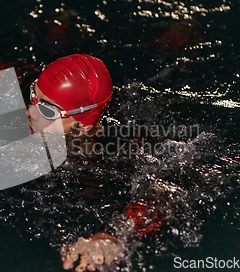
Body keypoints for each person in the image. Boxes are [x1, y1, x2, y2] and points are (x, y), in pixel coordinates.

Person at [22, 54, 168, 272]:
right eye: (34, 94)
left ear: (83, 125)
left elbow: (164, 195)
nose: (29, 111)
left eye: (47, 109)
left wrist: (115, 233)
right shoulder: (28, 100)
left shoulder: (112, 156)